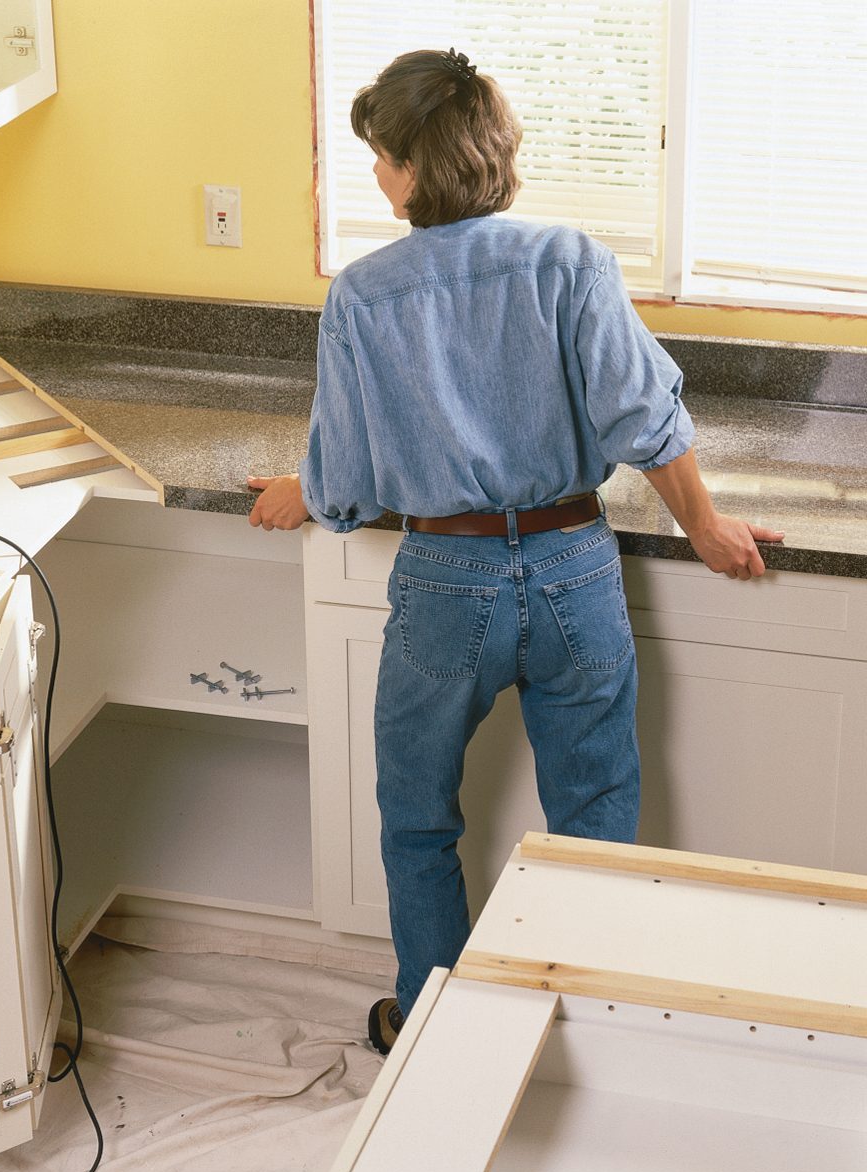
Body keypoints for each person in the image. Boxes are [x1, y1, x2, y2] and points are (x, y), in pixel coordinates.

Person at [247, 48, 784, 1055]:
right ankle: (585, 1023)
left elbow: (349, 485)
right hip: (577, 565)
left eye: (382, 156)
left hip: (447, 585)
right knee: (595, 811)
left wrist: (301, 493)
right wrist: (704, 528)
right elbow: (645, 419)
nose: (375, 175)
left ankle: (433, 1028)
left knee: (416, 815)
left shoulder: (364, 296)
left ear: (418, 164)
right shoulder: (571, 261)